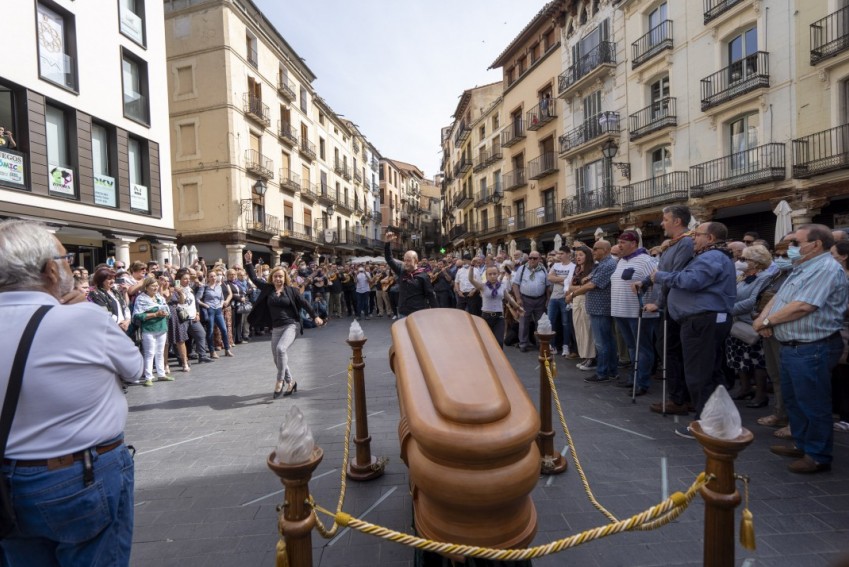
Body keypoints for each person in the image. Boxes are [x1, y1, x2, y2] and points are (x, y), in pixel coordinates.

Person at [0, 220, 141, 566]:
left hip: (7, 486)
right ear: (49, 270)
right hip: (81, 476)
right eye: (65, 259)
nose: (71, 268)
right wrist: (85, 310)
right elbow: (135, 369)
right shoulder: (84, 318)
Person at [755, 224, 848, 473]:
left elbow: (804, 306)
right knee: (795, 401)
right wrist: (764, 319)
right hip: (792, 346)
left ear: (815, 244)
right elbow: (778, 297)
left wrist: (767, 322)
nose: (791, 248)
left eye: (796, 243)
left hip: (812, 347)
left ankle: (817, 455)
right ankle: (803, 444)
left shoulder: (827, 269)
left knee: (813, 403)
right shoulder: (802, 267)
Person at [652, 222, 737, 438]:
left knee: (699, 374)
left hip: (701, 322)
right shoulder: (713, 256)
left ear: (709, 238)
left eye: (696, 235)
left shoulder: (711, 257)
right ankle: (716, 420)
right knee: (709, 371)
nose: (692, 239)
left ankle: (704, 424)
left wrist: (660, 276)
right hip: (705, 321)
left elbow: (691, 280)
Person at [244, 251, 323, 398]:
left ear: (284, 277)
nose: (278, 279)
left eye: (280, 276)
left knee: (281, 349)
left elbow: (305, 303)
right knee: (277, 358)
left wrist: (315, 316)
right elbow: (254, 278)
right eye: (275, 276)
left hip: (291, 325)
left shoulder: (292, 291)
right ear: (271, 278)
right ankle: (291, 382)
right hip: (276, 328)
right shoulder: (268, 289)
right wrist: (248, 262)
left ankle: (279, 381)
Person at [640, 205, 694, 416]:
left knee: (672, 352)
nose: (662, 223)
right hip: (669, 305)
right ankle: (680, 396)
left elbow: (672, 276)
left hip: (676, 306)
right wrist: (644, 282)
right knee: (669, 350)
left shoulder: (686, 243)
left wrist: (659, 302)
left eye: (665, 219)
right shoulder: (672, 245)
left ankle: (678, 399)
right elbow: (660, 271)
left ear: (677, 221)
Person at [610, 230, 659, 396]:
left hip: (639, 313)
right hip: (620, 311)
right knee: (632, 347)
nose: (619, 245)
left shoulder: (646, 260)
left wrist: (653, 303)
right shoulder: (621, 261)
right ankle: (633, 377)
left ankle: (642, 382)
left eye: (623, 242)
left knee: (643, 348)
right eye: (619, 242)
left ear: (633, 243)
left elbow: (656, 281)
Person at [725, 245, 773, 408]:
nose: (740, 262)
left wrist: (728, 310)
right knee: (739, 358)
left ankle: (761, 394)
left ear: (757, 262)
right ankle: (744, 388)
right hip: (737, 323)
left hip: (751, 323)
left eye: (745, 259)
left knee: (756, 360)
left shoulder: (765, 277)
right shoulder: (742, 277)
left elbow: (753, 301)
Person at [567, 240, 617, 383]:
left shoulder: (608, 264)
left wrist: (572, 295)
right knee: (607, 341)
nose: (593, 252)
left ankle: (603, 373)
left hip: (601, 308)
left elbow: (591, 284)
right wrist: (586, 281)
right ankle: (611, 371)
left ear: (606, 250)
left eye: (596, 249)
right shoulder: (601, 264)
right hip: (597, 307)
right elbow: (586, 279)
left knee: (602, 342)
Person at [383, 231, 437, 317]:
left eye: (408, 260)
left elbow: (430, 295)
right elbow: (389, 259)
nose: (406, 263)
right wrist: (387, 243)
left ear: (416, 261)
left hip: (418, 313)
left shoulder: (423, 276)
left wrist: (435, 312)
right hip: (402, 312)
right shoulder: (401, 271)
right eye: (404, 260)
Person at [469, 263, 523, 348]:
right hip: (486, 317)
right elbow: (471, 279)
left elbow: (510, 299)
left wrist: (518, 307)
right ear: (486, 276)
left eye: (494, 273)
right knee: (487, 342)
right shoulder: (483, 286)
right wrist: (472, 267)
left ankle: (498, 360)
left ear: (498, 274)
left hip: (499, 317)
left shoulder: (501, 286)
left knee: (499, 341)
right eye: (490, 274)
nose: (492, 276)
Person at [133, 276, 171, 386]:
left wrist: (165, 313)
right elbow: (138, 315)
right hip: (149, 329)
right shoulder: (141, 299)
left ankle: (161, 374)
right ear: (146, 287)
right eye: (153, 286)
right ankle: (148, 377)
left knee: (160, 352)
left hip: (161, 327)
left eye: (156, 285)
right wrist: (154, 314)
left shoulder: (160, 297)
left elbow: (166, 309)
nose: (155, 288)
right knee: (149, 353)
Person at [567, 245, 596, 368]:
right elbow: (570, 286)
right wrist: (579, 288)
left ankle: (592, 357)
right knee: (578, 329)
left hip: (586, 300)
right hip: (576, 299)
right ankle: (584, 356)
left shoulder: (592, 269)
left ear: (587, 256)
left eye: (581, 255)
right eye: (577, 255)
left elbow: (590, 286)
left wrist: (577, 289)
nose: (578, 257)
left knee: (587, 329)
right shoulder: (577, 270)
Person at [196, 270, 234, 359]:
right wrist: (205, 305)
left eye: (214, 276)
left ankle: (227, 349)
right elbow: (197, 299)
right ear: (208, 278)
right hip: (210, 310)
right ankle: (212, 351)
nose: (213, 278)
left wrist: (221, 304)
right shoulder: (204, 287)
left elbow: (222, 298)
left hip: (218, 309)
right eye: (211, 276)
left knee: (224, 330)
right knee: (210, 331)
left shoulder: (218, 287)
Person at [547, 247, 576, 357]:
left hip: (565, 297)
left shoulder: (573, 266)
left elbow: (570, 282)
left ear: (568, 254)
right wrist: (564, 280)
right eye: (558, 253)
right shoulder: (556, 265)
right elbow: (549, 277)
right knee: (551, 322)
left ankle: (566, 346)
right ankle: (552, 345)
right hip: (554, 297)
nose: (559, 255)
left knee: (566, 323)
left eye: (562, 253)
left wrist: (557, 278)